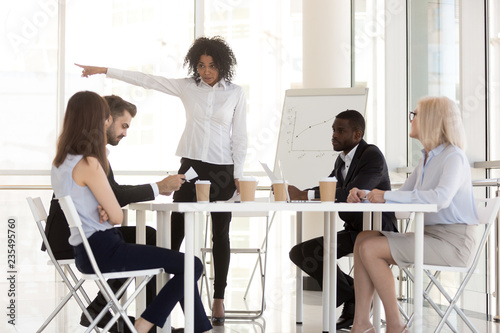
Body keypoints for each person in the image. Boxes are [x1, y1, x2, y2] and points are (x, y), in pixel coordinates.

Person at [75, 35, 247, 325]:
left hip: (223, 170)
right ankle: (158, 306)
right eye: (201, 65)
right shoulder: (187, 87)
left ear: (223, 66)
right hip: (191, 166)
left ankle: (218, 299)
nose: (206, 71)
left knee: (221, 233)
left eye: (212, 66)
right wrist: (105, 70)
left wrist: (239, 174)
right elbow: (147, 80)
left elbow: (240, 137)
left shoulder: (236, 93)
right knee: (172, 236)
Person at [50, 91, 212, 333]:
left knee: (178, 258)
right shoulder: (90, 163)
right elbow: (117, 216)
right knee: (193, 265)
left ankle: (200, 329)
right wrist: (108, 208)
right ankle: (145, 324)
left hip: (85, 249)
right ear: (96, 120)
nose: (107, 122)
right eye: (105, 118)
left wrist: (106, 206)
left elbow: (105, 204)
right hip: (104, 249)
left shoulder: (59, 163)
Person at [347, 96, 478, 333]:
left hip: (454, 243)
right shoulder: (426, 159)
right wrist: (365, 194)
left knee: (370, 248)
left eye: (414, 115)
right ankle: (362, 324)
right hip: (428, 236)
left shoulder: (454, 157)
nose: (411, 119)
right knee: (363, 238)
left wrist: (385, 196)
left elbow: (440, 198)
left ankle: (396, 325)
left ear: (430, 120)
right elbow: (401, 198)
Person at [286, 110, 397, 329]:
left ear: (357, 134)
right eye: (333, 130)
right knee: (301, 252)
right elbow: (329, 187)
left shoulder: (371, 155)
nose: (334, 135)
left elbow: (352, 191)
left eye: (340, 130)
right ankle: (355, 294)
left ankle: (355, 299)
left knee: (310, 253)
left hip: (376, 231)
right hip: (355, 230)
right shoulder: (342, 159)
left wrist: (304, 195)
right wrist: (301, 192)